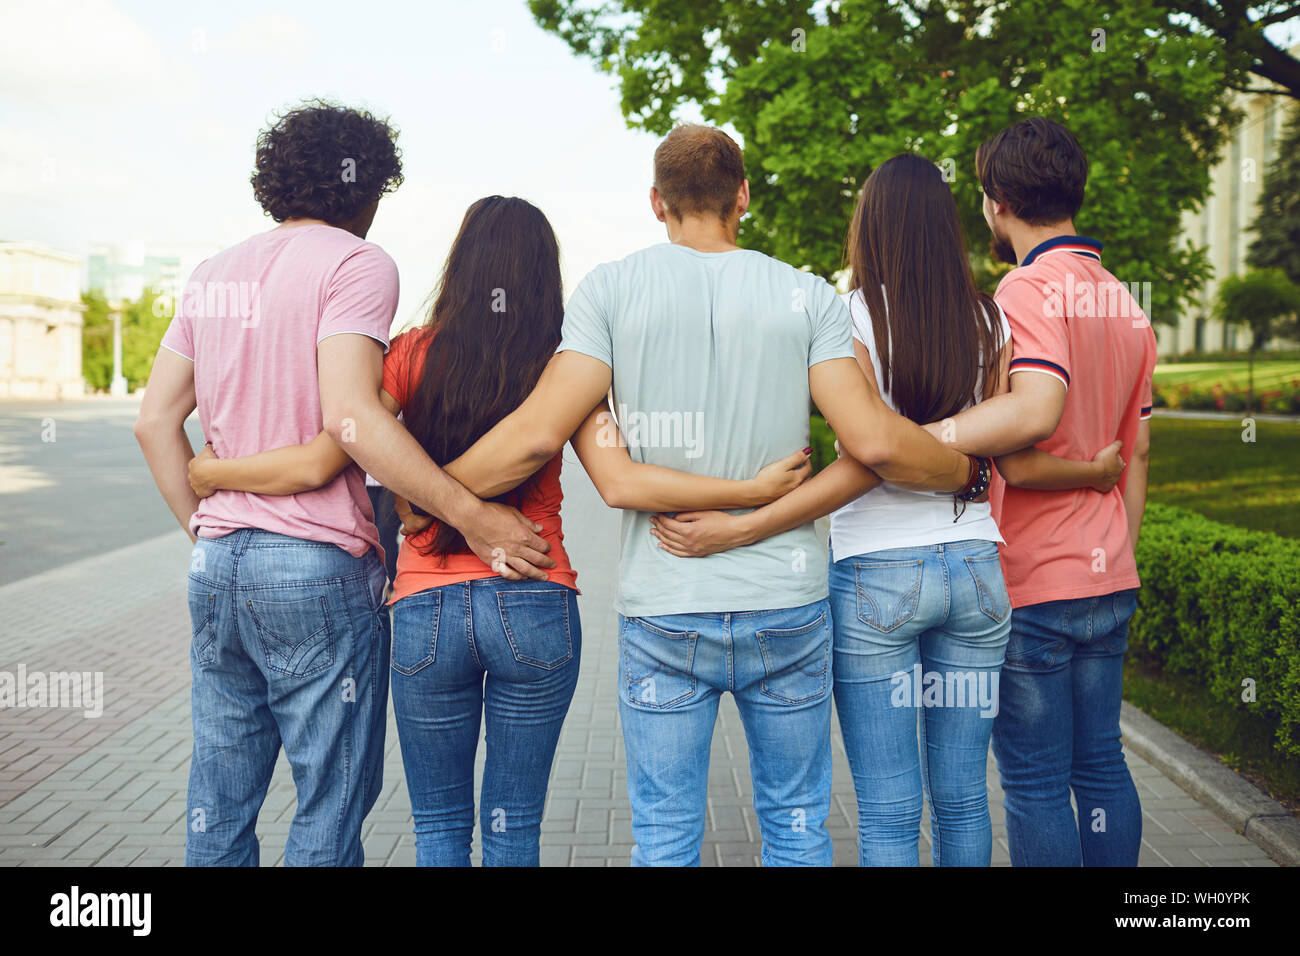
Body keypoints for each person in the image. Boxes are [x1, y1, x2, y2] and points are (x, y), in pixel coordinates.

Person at [187, 195, 815, 865]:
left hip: (425, 607)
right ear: (546, 274)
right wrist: (747, 492)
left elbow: (359, 445)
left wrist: (229, 471)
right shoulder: (563, 370)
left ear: (461, 264)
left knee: (437, 828)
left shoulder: (405, 355)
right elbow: (620, 476)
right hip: (536, 596)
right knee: (515, 831)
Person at [438, 125, 988, 866]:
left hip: (665, 607)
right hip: (784, 604)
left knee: (665, 839)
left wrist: (433, 495)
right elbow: (877, 442)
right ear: (744, 197)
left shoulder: (610, 289)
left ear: (657, 202)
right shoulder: (806, 294)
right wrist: (966, 472)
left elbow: (539, 435)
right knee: (797, 827)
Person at [650, 152, 1125, 867]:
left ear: (868, 228)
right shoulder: (991, 318)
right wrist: (962, 473)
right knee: (964, 795)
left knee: (890, 805)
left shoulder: (852, 318)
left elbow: (866, 458)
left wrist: (745, 524)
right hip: (974, 570)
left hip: (877, 574)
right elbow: (989, 447)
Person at [134, 100, 406, 865]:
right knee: (331, 800)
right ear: (367, 187)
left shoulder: (213, 273)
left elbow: (154, 422)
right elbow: (351, 422)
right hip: (316, 564)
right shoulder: (358, 264)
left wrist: (206, 522)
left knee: (217, 800)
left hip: (217, 563)